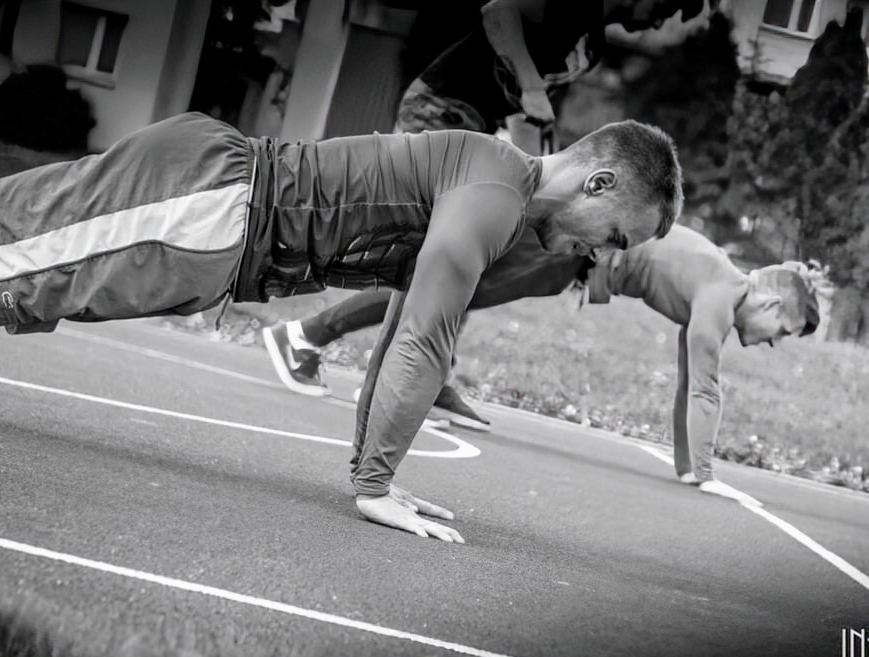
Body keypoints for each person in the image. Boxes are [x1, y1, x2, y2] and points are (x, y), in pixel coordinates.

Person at [0, 110, 684, 542]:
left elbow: (396, 331)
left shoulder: (496, 188)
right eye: (615, 235)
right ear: (599, 181)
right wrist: (373, 485)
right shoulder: (493, 195)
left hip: (213, 212)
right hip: (210, 198)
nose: (603, 256)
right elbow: (424, 335)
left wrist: (377, 476)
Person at [264, 0, 710, 428]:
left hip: (487, 127)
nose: (658, 20)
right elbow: (499, 11)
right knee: (442, 259)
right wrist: (532, 86)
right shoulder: (575, 7)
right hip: (447, 108)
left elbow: (525, 118)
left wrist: (540, 179)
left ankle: (420, 374)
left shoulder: (591, 44)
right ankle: (316, 341)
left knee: (479, 256)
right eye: (665, 7)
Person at [268, 224, 822, 498]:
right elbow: (702, 387)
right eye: (783, 332)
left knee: (455, 287)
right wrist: (702, 477)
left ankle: (406, 372)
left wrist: (690, 467)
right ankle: (307, 332)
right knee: (445, 287)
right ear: (770, 303)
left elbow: (690, 385)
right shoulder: (720, 298)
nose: (773, 342)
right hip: (572, 253)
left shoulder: (718, 282)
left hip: (573, 258)